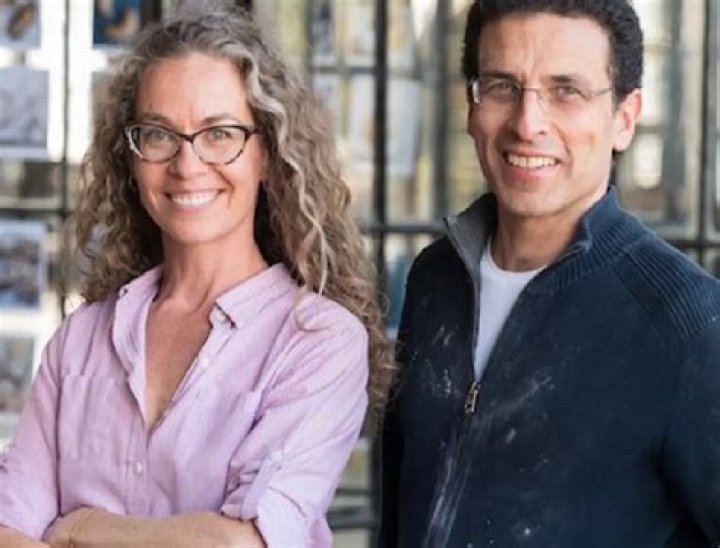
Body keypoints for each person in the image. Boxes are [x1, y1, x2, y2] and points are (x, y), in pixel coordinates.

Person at [0, 4, 392, 548]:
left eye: (219, 134)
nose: (187, 166)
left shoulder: (317, 340)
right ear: (130, 158)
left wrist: (83, 529)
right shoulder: (82, 339)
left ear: (268, 153)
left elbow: (243, 543)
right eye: (159, 134)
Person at [380, 0, 720, 546]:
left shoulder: (687, 323)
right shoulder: (433, 280)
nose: (527, 123)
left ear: (624, 118)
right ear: (471, 107)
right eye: (502, 86)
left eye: (567, 91)